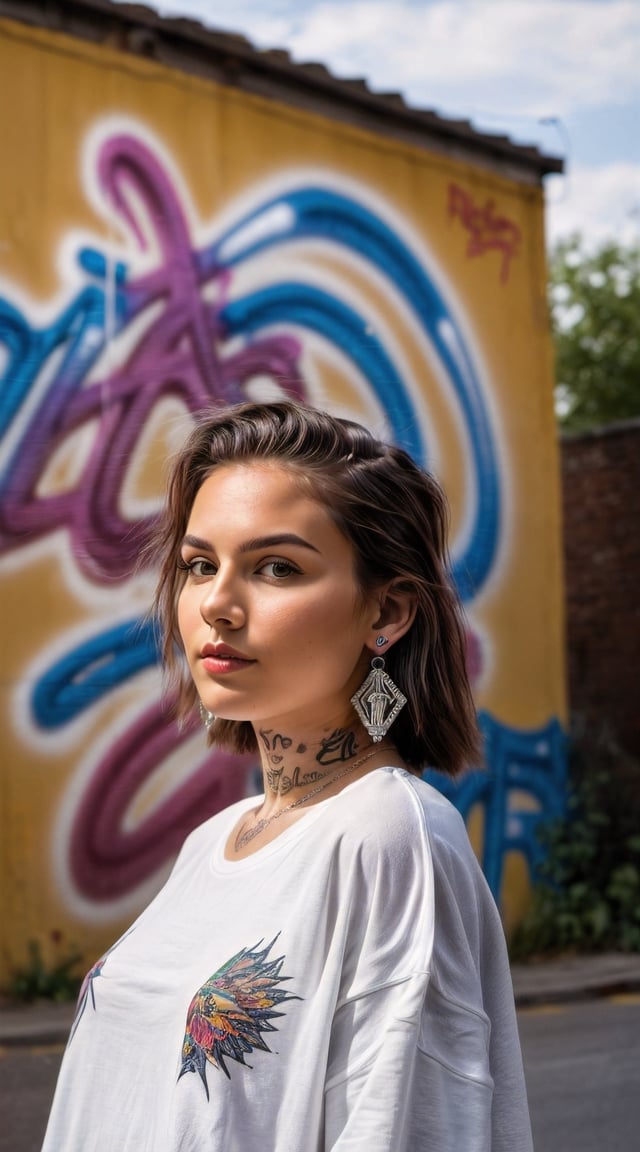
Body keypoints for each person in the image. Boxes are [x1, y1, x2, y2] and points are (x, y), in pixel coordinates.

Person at [42, 400, 533, 1151]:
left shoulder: (390, 836)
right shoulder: (210, 845)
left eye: (276, 567)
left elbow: (409, 1123)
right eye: (200, 565)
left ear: (388, 612)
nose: (217, 605)